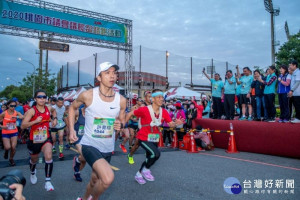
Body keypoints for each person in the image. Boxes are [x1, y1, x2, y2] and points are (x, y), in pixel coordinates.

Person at [68, 62, 125, 200]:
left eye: (114, 73)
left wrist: (120, 125)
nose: (112, 76)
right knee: (107, 178)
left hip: (107, 146)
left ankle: (84, 198)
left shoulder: (121, 100)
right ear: (98, 78)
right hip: (89, 144)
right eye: (107, 73)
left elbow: (122, 121)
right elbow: (72, 108)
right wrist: (71, 130)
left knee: (95, 180)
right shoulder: (88, 95)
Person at [125, 89, 184, 185]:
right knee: (156, 154)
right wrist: (123, 124)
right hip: (143, 136)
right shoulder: (145, 109)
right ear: (153, 99)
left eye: (162, 97)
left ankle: (139, 174)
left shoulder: (164, 111)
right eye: (159, 97)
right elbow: (130, 113)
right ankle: (146, 169)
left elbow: (170, 125)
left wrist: (176, 124)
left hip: (155, 137)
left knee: (150, 157)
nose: (162, 99)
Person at [21, 90, 57, 191]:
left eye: (44, 97)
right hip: (34, 140)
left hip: (46, 138)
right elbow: (23, 125)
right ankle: (33, 173)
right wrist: (35, 121)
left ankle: (48, 181)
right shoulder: (31, 111)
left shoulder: (49, 108)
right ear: (35, 99)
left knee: (49, 155)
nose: (42, 99)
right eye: (39, 97)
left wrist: (55, 119)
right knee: (34, 160)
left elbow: (54, 111)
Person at [127, 91, 152, 165]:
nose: (150, 98)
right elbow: (136, 115)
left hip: (152, 129)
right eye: (148, 96)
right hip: (142, 128)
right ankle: (130, 155)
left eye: (151, 96)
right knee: (137, 145)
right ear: (145, 97)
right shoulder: (143, 106)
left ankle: (148, 159)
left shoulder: (154, 105)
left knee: (152, 144)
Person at [0, 100, 24, 166]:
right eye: (11, 106)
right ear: (8, 106)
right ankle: (6, 151)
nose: (13, 107)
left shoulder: (16, 112)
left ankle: (11, 159)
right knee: (7, 147)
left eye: (14, 106)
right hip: (5, 132)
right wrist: (2, 126)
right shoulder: (4, 113)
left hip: (14, 131)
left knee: (13, 147)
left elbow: (22, 116)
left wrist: (18, 117)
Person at [72, 104, 87, 182]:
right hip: (78, 137)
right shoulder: (79, 112)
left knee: (84, 159)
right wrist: (71, 130)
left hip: (88, 138)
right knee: (84, 155)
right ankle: (77, 171)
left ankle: (77, 168)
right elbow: (69, 116)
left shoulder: (94, 113)